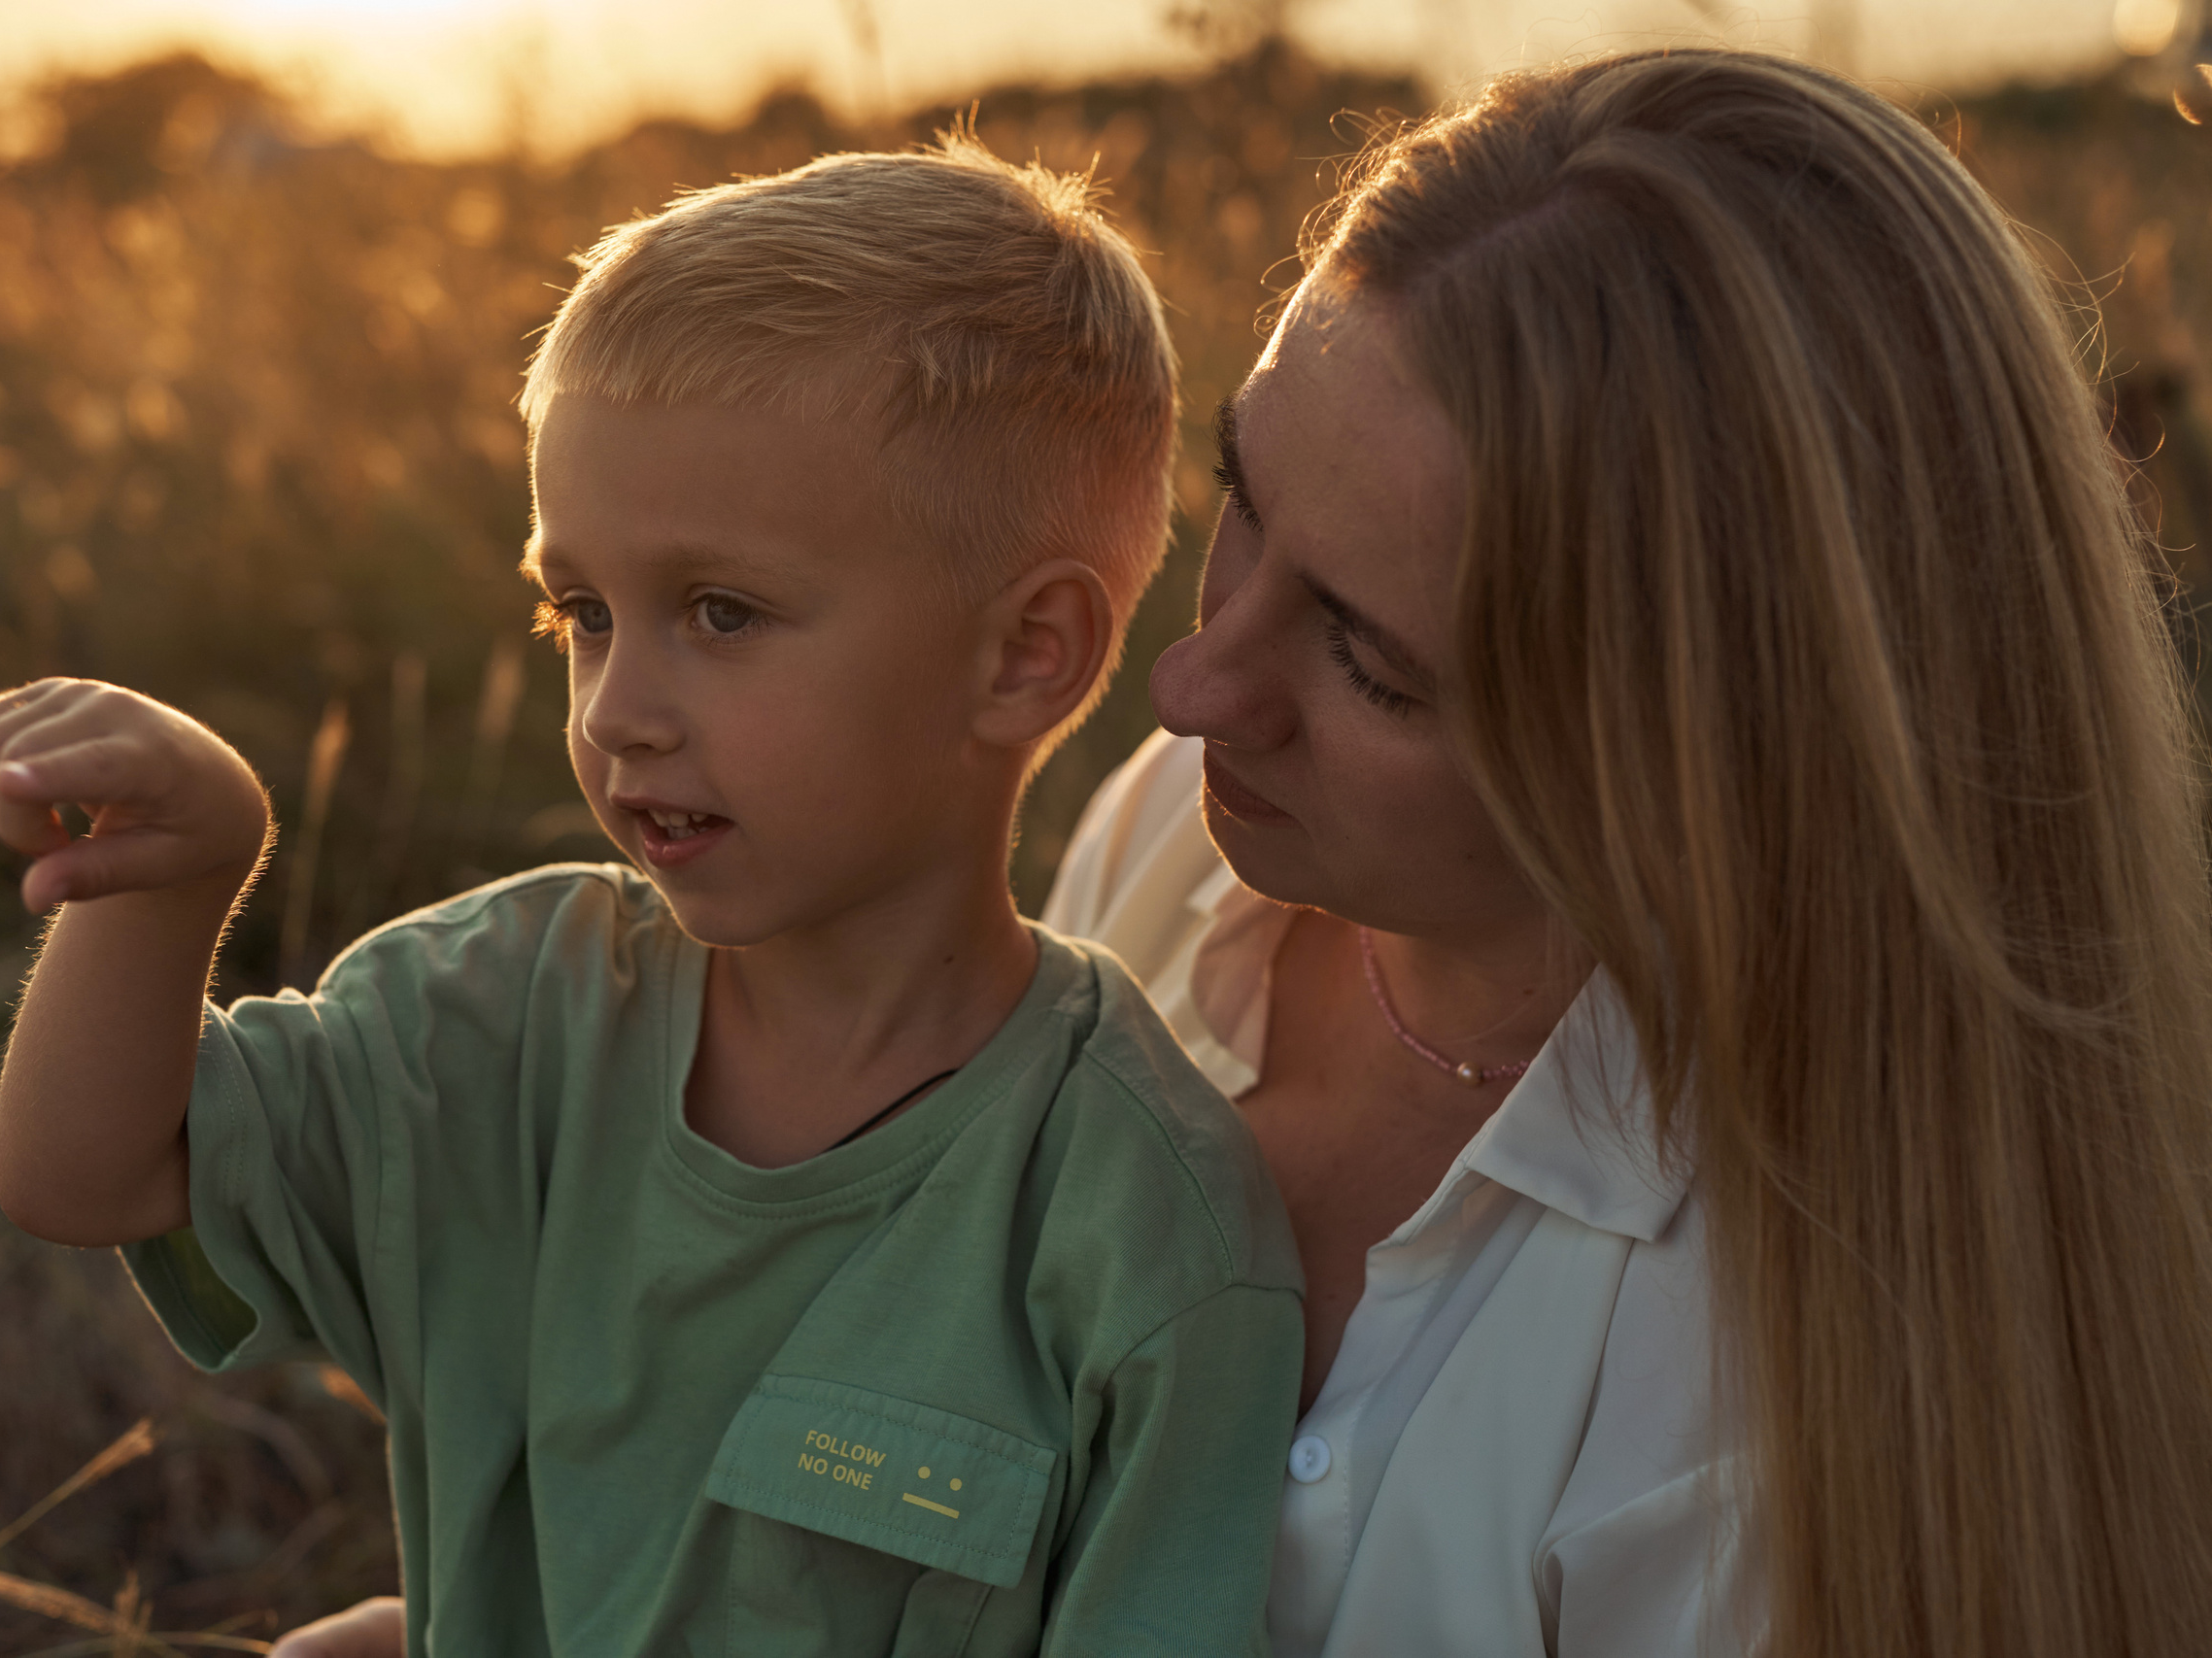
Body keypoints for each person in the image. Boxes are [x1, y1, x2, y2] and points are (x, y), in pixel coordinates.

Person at [278, 47, 2212, 1658]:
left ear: (1696, 752)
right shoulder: (1176, 862)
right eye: (1239, 503)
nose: (1192, 679)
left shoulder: (1762, 1428)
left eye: (1363, 653)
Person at [0, 137, 1308, 1657]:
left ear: (1027, 655)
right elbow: (82, 1174)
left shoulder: (1144, 1234)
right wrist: (162, 890)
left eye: (722, 614)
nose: (616, 712)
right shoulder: (500, 1012)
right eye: (582, 615)